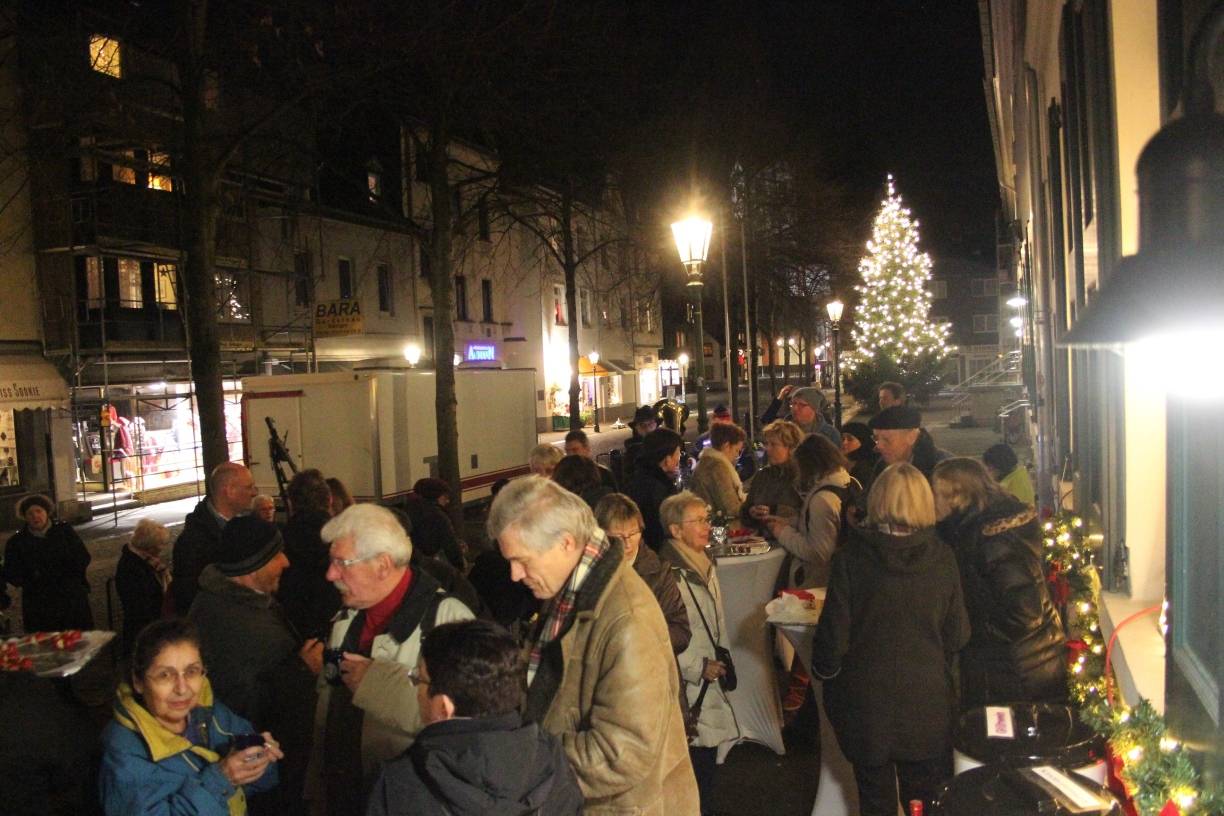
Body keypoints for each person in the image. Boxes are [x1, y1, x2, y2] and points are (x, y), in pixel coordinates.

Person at [488, 477, 699, 813]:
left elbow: (622, 753)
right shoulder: (572, 589)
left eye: (523, 560)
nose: (514, 574)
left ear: (566, 543)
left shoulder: (626, 618)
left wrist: (521, 758)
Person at [811, 464, 970, 816]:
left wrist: (826, 673)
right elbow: (957, 634)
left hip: (866, 702)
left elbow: (832, 639)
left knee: (875, 800)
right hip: (926, 700)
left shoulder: (851, 559)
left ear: (878, 500)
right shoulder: (943, 558)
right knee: (926, 800)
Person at [311, 503, 474, 815]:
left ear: (382, 565)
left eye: (341, 563)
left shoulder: (447, 621)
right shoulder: (347, 615)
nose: (330, 574)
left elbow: (466, 730)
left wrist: (378, 685)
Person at [365, 620, 584, 816]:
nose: (416, 689)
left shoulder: (400, 784)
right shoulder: (551, 759)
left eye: (419, 679)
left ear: (444, 706)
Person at [188, 516, 317, 813]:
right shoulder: (237, 626)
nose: (286, 562)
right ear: (250, 566)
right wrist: (302, 668)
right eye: (275, 555)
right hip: (255, 771)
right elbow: (245, 701)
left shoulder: (228, 602)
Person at [99, 617, 283, 816]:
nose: (182, 688)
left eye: (192, 671)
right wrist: (222, 778)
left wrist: (260, 757)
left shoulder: (209, 712)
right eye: (165, 675)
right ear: (138, 682)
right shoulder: (124, 752)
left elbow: (263, 783)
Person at [932, 458, 1066, 706]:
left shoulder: (994, 541)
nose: (930, 501)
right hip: (1017, 664)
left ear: (957, 496)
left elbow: (1025, 613)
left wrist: (974, 625)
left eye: (936, 493)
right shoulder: (977, 531)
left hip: (1017, 670)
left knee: (1007, 739)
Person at [658, 492, 740, 814]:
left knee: (704, 764)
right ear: (676, 530)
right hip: (693, 684)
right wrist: (696, 666)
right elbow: (668, 632)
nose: (707, 526)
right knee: (694, 766)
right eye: (699, 520)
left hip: (710, 676)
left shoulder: (702, 562)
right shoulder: (671, 574)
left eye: (707, 518)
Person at [593, 493, 691, 654]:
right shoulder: (590, 571)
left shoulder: (658, 570)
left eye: (633, 533)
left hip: (650, 667)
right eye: (618, 536)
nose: (627, 543)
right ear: (601, 535)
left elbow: (681, 630)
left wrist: (638, 643)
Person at [759, 434, 856, 590]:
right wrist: (789, 522)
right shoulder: (846, 482)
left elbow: (818, 553)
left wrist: (782, 532)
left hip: (816, 582)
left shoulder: (822, 499)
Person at [172, 462, 258, 614]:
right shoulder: (193, 542)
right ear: (230, 491)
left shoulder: (243, 525)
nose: (254, 493)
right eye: (249, 487)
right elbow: (188, 599)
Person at [2, 494, 92, 632]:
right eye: (30, 513)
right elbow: (12, 572)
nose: (35, 516)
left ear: (47, 512)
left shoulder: (64, 531)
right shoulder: (17, 542)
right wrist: (32, 578)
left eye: (39, 511)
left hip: (71, 596)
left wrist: (69, 574)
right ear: (25, 517)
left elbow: (83, 556)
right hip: (39, 602)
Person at [277, 469, 339, 641]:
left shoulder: (279, 540)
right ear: (330, 499)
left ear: (291, 503)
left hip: (291, 628)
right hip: (334, 627)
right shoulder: (342, 538)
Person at [115, 518, 172, 656]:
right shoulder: (132, 568)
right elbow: (139, 605)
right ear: (149, 546)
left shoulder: (148, 562)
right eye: (160, 544)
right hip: (143, 631)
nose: (162, 549)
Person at [740, 420, 804, 537]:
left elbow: (807, 516)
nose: (767, 449)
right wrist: (751, 511)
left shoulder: (801, 477)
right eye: (767, 444)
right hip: (762, 543)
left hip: (790, 543)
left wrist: (773, 511)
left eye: (773, 444)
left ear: (790, 448)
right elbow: (745, 511)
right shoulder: (762, 476)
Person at [625, 428, 683, 551]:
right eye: (678, 453)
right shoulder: (659, 488)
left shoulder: (640, 475)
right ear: (667, 460)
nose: (679, 457)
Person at [866, 405, 951, 488]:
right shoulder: (882, 465)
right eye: (876, 438)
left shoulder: (942, 470)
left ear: (911, 437)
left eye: (887, 440)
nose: (879, 446)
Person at [401, 477, 465, 570]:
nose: (447, 501)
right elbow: (451, 546)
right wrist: (460, 566)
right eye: (445, 497)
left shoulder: (405, 511)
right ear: (434, 496)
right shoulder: (438, 516)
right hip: (426, 563)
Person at [689, 422, 747, 522]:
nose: (736, 456)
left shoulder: (707, 462)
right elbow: (729, 507)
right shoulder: (717, 468)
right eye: (737, 450)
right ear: (727, 446)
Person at [760, 385, 841, 447]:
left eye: (801, 405)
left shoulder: (830, 434)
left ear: (814, 408)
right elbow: (766, 420)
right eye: (793, 404)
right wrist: (780, 398)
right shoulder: (783, 428)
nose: (795, 408)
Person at [621, 404, 658, 481]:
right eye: (642, 425)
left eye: (650, 424)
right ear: (636, 428)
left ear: (656, 424)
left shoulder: (664, 442)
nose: (647, 429)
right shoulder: (632, 449)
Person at [839, 421, 879, 490]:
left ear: (862, 441)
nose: (844, 442)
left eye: (849, 439)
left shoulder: (867, 468)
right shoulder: (839, 461)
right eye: (842, 439)